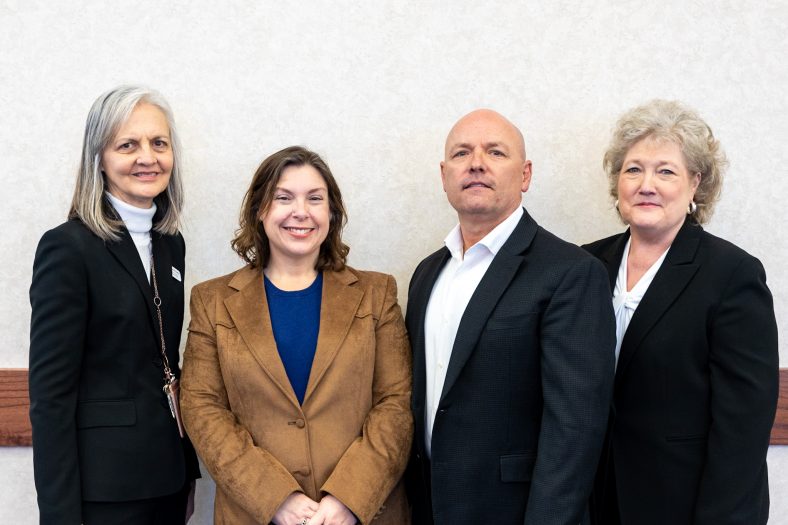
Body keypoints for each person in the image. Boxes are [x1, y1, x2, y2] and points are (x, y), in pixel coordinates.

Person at [180, 145, 412, 525]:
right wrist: (276, 499)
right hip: (256, 515)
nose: (300, 211)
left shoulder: (377, 293)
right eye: (283, 198)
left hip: (365, 515)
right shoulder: (212, 301)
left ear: (331, 212)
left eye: (315, 199)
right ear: (260, 210)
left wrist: (349, 499)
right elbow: (202, 409)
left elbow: (396, 404)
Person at [405, 109, 616, 524]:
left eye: (496, 152)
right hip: (428, 506)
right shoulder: (427, 273)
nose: (477, 162)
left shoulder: (570, 272)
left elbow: (575, 429)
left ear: (525, 175)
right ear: (444, 175)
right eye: (462, 152)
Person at [584, 100, 779, 524]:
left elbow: (742, 431)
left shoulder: (732, 275)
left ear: (695, 184)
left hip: (682, 505)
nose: (646, 184)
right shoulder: (586, 266)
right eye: (633, 169)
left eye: (666, 171)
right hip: (594, 500)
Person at [29, 85, 200, 524]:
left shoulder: (170, 244)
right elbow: (50, 397)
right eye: (128, 145)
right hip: (104, 493)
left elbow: (167, 364)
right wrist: (60, 515)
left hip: (167, 480)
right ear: (99, 159)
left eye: (159, 143)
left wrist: (188, 474)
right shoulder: (68, 248)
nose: (148, 157)